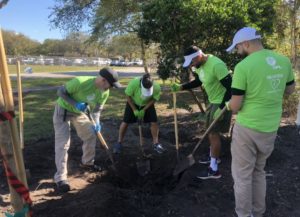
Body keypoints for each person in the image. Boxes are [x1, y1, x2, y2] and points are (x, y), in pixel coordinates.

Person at [226, 27, 295, 217]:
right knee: (258, 170)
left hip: (248, 127)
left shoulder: (244, 67)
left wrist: (229, 103)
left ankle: (244, 214)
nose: (237, 51)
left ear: (246, 44)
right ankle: (258, 212)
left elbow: (235, 107)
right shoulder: (283, 61)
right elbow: (290, 91)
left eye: (237, 47)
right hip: (270, 127)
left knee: (242, 175)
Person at [53, 67, 121, 192]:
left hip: (80, 113)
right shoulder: (80, 82)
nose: (109, 88)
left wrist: (97, 123)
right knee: (63, 144)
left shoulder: (104, 92)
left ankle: (87, 163)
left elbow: (97, 110)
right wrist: (75, 104)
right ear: (103, 80)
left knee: (91, 134)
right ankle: (60, 178)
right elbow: (60, 92)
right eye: (110, 85)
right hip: (63, 110)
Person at [171, 45, 232, 179]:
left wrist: (223, 107)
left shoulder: (217, 65)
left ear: (198, 56)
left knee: (213, 133)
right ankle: (214, 156)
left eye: (192, 62)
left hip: (221, 102)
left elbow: (230, 87)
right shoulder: (199, 66)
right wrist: (182, 86)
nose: (192, 65)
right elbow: (199, 80)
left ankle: (214, 169)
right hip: (212, 102)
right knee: (210, 132)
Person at [114, 73, 165, 154]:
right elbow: (128, 96)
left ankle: (156, 143)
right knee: (125, 121)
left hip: (147, 104)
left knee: (154, 122)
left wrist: (144, 109)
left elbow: (154, 99)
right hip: (133, 103)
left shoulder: (156, 87)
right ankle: (119, 143)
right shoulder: (134, 83)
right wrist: (134, 110)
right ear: (141, 85)